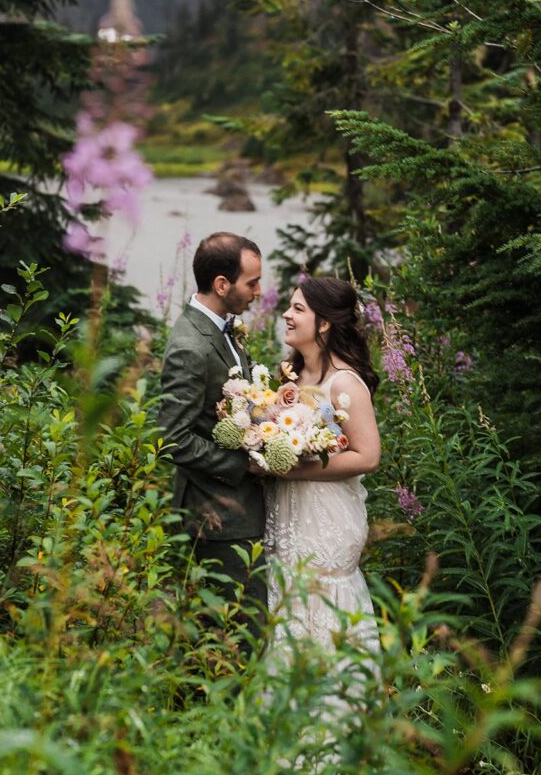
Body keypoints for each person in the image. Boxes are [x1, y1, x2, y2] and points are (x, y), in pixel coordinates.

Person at [157, 232, 267, 647]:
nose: (258, 292)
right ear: (222, 285)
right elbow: (174, 439)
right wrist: (246, 465)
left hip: (239, 512)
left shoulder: (222, 331)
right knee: (237, 637)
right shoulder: (190, 346)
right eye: (251, 283)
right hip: (218, 516)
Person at [264, 277, 381, 655]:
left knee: (320, 601)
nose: (287, 314)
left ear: (325, 323)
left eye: (298, 309)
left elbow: (367, 455)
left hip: (326, 519)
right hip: (288, 512)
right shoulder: (291, 378)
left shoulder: (343, 384)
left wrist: (294, 470)